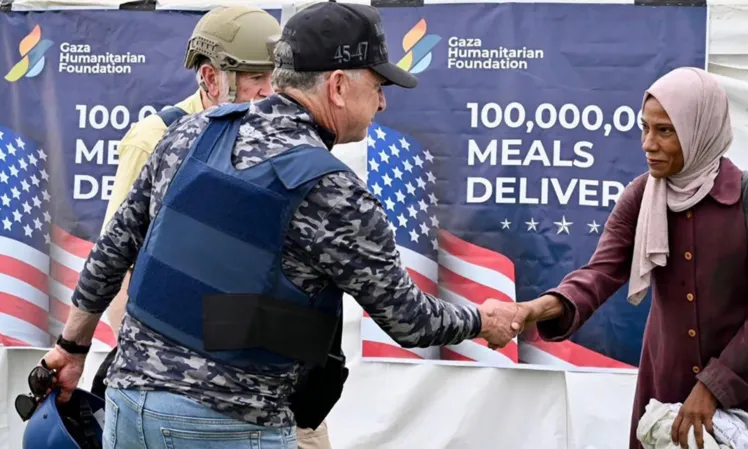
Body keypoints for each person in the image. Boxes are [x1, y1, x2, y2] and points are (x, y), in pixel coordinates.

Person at [39, 3, 530, 449]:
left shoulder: (190, 134)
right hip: (226, 425)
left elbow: (111, 250)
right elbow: (409, 320)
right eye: (377, 88)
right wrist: (483, 320)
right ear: (338, 87)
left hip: (128, 408)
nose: (382, 105)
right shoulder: (334, 191)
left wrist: (71, 348)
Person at [517, 67, 748, 449]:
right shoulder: (641, 197)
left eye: (664, 130)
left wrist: (714, 387)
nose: (648, 143)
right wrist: (539, 309)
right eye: (645, 128)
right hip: (665, 393)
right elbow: (600, 272)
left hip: (743, 395)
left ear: (701, 130)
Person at [92, 5, 333, 448]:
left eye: (276, 76)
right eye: (257, 79)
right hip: (193, 393)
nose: (271, 91)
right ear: (210, 79)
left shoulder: (293, 137)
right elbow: (117, 264)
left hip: (276, 378)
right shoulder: (159, 137)